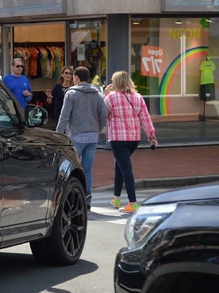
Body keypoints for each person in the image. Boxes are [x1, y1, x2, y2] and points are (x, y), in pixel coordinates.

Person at [104, 70, 159, 213]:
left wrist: (105, 95)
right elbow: (145, 118)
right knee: (120, 164)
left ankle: (132, 202)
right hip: (134, 139)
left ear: (115, 82)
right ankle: (116, 198)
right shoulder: (138, 97)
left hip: (118, 139)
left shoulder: (111, 97)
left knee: (126, 168)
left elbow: (102, 114)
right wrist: (151, 136)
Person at [56, 66, 107, 210]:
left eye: (73, 76)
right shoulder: (97, 93)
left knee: (70, 168)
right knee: (87, 169)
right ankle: (87, 200)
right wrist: (97, 128)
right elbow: (104, 114)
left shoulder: (71, 93)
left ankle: (73, 200)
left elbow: (64, 116)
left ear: (76, 78)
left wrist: (59, 134)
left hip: (76, 135)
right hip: (92, 136)